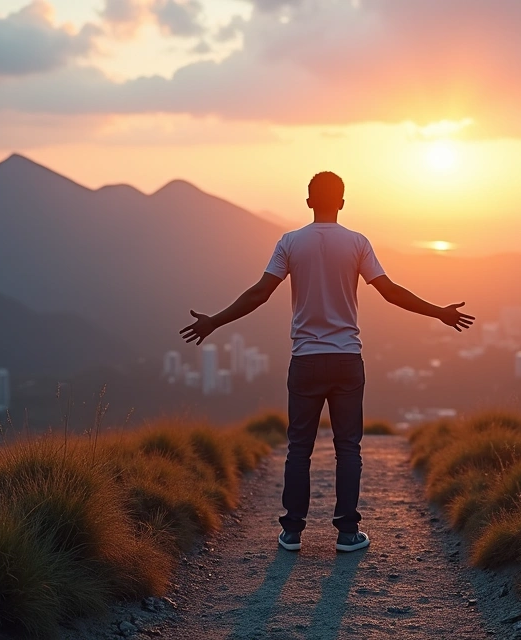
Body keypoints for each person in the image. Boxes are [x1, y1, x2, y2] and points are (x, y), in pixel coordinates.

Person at [179, 171, 474, 553]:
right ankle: (348, 534)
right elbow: (389, 292)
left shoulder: (289, 243)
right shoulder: (357, 242)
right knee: (348, 447)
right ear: (343, 202)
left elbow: (259, 294)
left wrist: (214, 322)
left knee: (298, 448)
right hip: (347, 359)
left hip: (305, 360)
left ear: (308, 201)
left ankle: (292, 532)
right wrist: (439, 313)